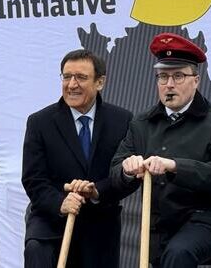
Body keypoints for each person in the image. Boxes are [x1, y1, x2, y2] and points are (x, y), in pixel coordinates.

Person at [110, 33, 211, 267]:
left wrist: (174, 166)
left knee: (179, 253)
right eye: (163, 77)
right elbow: (115, 173)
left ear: (196, 80)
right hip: (160, 225)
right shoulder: (141, 123)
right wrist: (127, 170)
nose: (169, 84)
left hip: (207, 218)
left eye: (178, 76)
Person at [22, 49, 132, 267]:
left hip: (100, 223)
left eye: (81, 77)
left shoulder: (122, 120)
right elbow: (33, 179)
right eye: (66, 76)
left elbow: (127, 176)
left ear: (100, 82)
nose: (72, 84)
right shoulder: (39, 122)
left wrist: (96, 190)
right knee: (36, 250)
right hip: (50, 221)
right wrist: (61, 203)